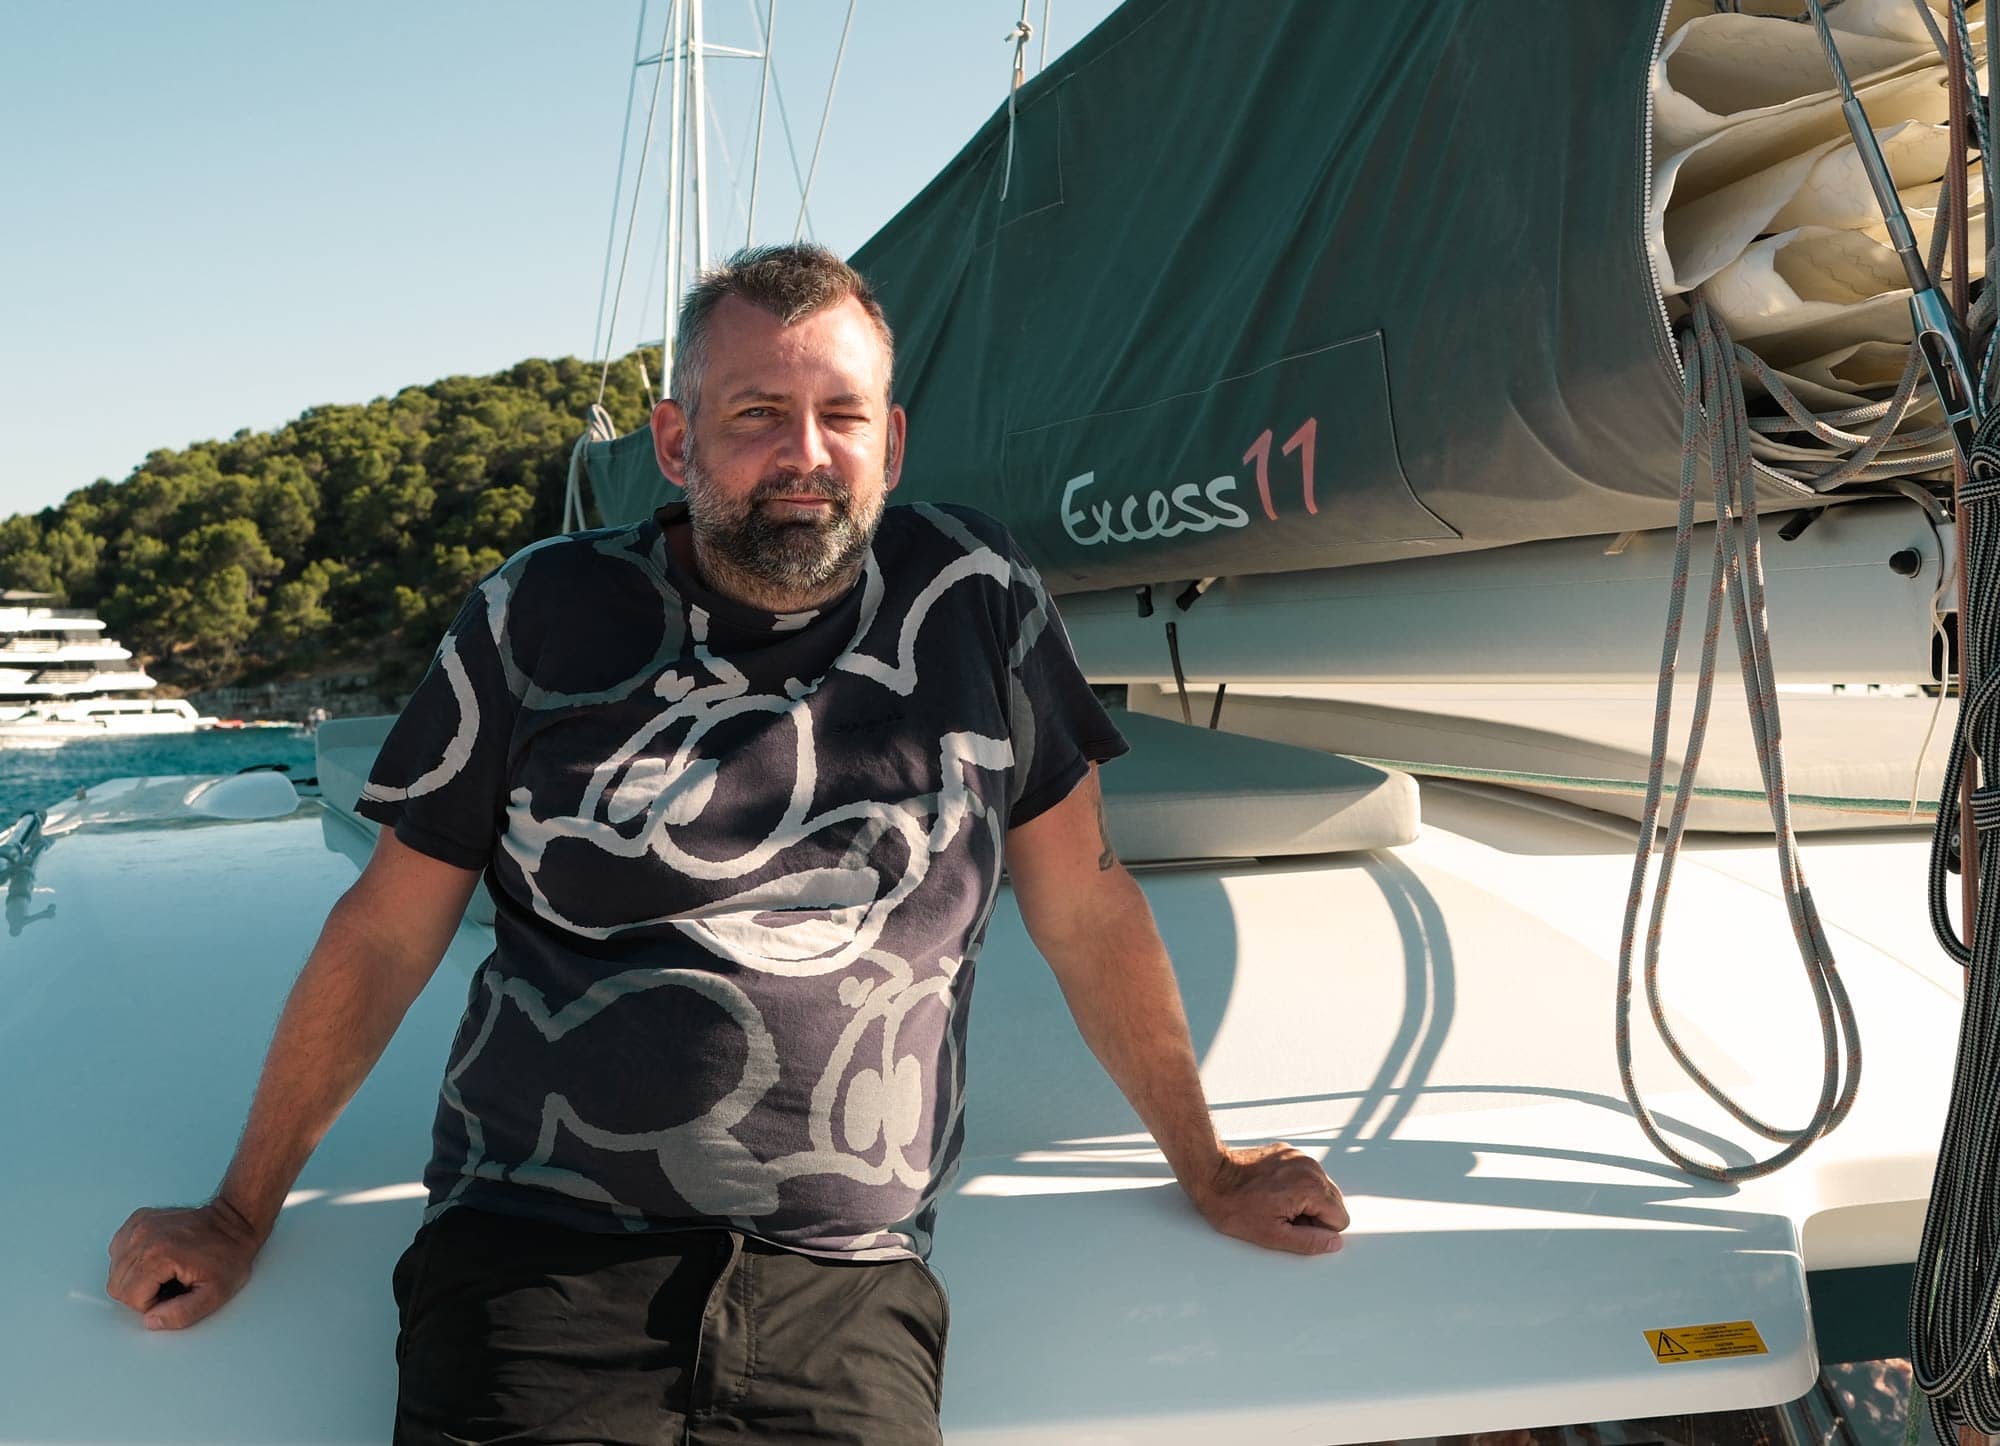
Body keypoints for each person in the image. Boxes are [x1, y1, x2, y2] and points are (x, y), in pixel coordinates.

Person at [105, 244, 1348, 1444]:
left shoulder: (973, 596)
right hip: (536, 1255)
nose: (805, 457)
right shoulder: (540, 611)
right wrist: (235, 1210)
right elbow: (386, 931)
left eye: (842, 416)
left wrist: (1210, 1163)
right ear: (673, 439)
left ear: (891, 440)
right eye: (756, 413)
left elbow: (1083, 901)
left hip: (843, 1278)